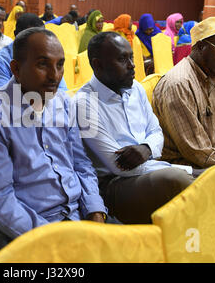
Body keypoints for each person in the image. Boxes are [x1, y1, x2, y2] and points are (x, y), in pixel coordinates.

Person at [0, 27, 107, 256]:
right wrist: (57, 239)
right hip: (20, 234)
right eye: (43, 64)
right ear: (16, 69)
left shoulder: (63, 103)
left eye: (60, 64)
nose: (55, 75)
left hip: (76, 218)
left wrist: (95, 212)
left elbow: (81, 165)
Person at [75, 32, 194, 224]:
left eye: (131, 57)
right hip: (114, 185)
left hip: (150, 168)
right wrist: (177, 168)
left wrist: (146, 149)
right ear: (98, 65)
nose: (132, 64)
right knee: (178, 180)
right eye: (122, 59)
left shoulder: (136, 88)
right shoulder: (84, 104)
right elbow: (119, 166)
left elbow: (156, 132)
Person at [152, 17, 215, 169]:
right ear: (201, 47)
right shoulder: (179, 84)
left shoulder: (210, 76)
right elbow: (196, 152)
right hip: (193, 168)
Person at [0, 13, 67, 92]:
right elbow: (3, 99)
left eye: (43, 38)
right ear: (16, 35)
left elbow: (62, 93)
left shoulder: (50, 57)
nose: (40, 43)